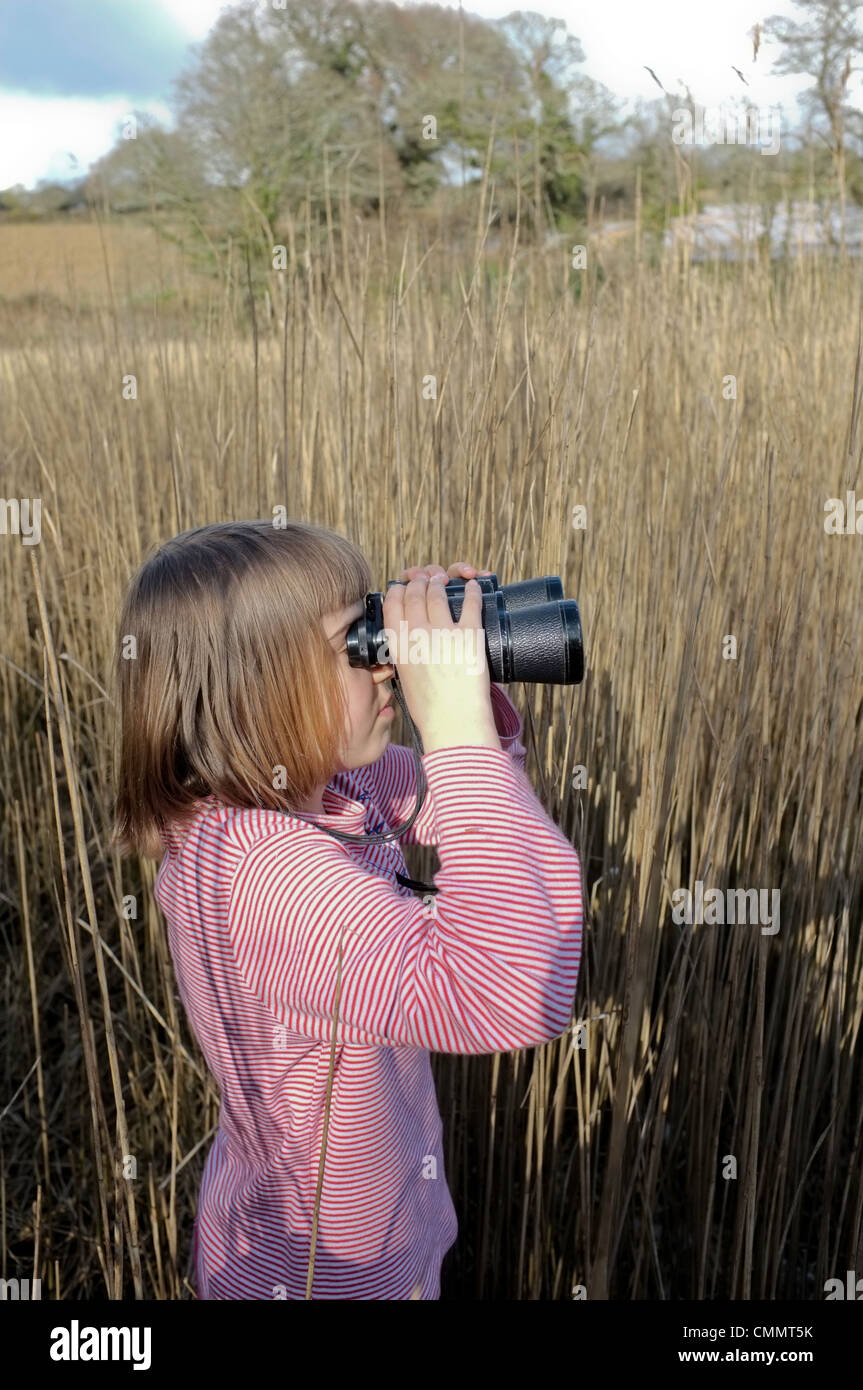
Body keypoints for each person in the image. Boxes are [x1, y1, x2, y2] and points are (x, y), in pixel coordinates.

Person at [112, 518, 583, 1300]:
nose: (387, 668)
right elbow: (508, 992)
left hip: (381, 1240)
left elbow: (473, 816)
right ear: (253, 693)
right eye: (353, 646)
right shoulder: (262, 874)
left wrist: (469, 699)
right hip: (319, 1276)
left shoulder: (319, 789)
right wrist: (455, 729)